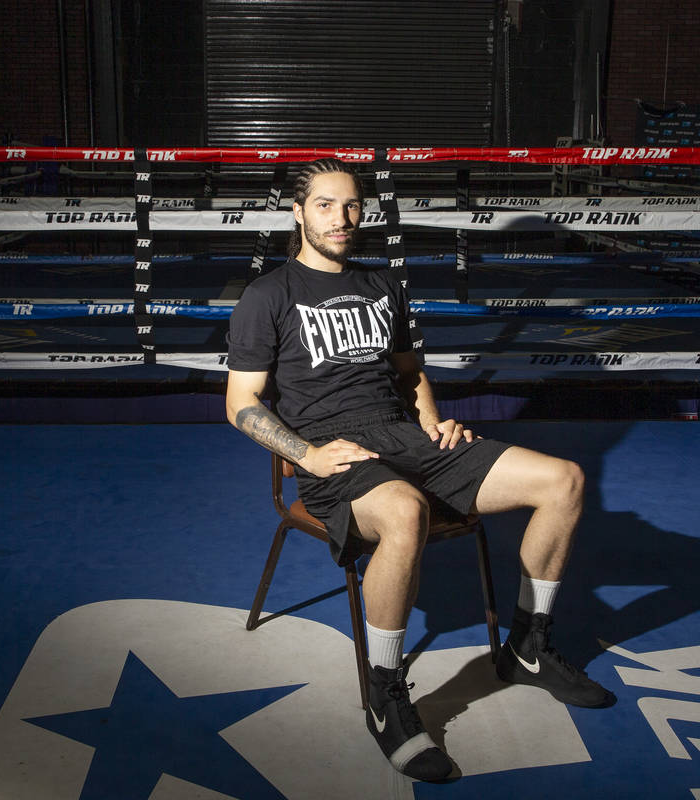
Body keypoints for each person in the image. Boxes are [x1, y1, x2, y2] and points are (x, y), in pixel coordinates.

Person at [225, 158, 613, 782]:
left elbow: (409, 374)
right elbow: (240, 403)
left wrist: (433, 422)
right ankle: (384, 694)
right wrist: (306, 456)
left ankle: (527, 647)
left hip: (409, 439)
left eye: (351, 205)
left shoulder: (384, 284)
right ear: (297, 212)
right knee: (405, 511)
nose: (341, 218)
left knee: (563, 479)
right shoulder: (268, 295)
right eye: (324, 205)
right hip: (336, 457)